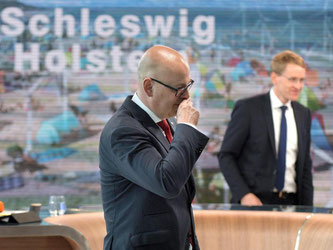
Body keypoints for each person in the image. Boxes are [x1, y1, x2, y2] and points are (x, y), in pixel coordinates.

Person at [99, 45, 209, 250]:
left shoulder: (164, 124)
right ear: (149, 87)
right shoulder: (122, 131)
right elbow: (166, 182)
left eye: (188, 86)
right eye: (179, 90)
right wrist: (187, 127)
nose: (186, 98)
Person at [218, 50, 313, 206]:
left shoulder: (303, 114)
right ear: (274, 77)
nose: (299, 86)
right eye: (293, 79)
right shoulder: (248, 109)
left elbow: (305, 167)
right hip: (254, 202)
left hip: (293, 204)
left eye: (302, 80)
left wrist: (309, 211)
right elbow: (226, 156)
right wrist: (244, 194)